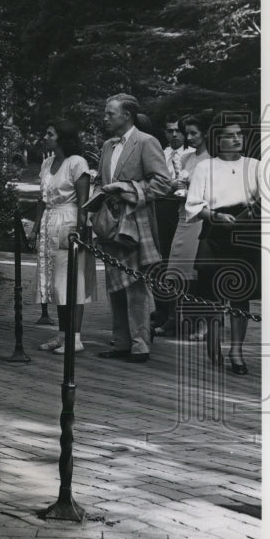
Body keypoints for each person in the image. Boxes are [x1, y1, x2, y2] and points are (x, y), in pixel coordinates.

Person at [95, 94, 171, 363]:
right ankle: (121, 342)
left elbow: (163, 183)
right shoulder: (107, 146)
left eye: (110, 113)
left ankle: (140, 345)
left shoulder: (147, 142)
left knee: (136, 285)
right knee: (114, 284)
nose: (105, 118)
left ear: (126, 115)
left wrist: (127, 190)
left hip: (136, 224)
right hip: (110, 224)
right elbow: (99, 179)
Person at [185, 115, 260, 374]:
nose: (236, 138)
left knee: (241, 295)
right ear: (218, 138)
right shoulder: (205, 167)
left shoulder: (255, 166)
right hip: (215, 233)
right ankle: (214, 341)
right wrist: (215, 216)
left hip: (244, 237)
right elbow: (194, 204)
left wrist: (255, 209)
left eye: (240, 134)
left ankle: (237, 351)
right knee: (212, 294)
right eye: (230, 134)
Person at [30, 120, 96, 354]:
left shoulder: (77, 163)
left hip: (68, 223)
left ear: (62, 137)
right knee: (56, 284)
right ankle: (62, 335)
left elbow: (83, 201)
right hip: (50, 222)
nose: (45, 137)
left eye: (50, 134)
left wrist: (79, 230)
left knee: (72, 281)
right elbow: (42, 198)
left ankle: (75, 338)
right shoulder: (48, 162)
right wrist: (36, 227)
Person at [157, 112, 212, 338]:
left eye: (193, 133)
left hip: (200, 220)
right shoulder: (187, 158)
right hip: (182, 218)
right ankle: (175, 318)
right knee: (177, 271)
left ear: (206, 133)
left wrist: (189, 192)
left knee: (196, 273)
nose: (188, 137)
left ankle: (202, 323)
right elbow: (175, 183)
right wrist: (176, 186)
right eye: (186, 133)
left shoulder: (211, 159)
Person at [152, 114, 197, 336]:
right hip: (162, 209)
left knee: (182, 265)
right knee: (161, 264)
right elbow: (155, 181)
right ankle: (164, 312)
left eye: (177, 131)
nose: (174, 135)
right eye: (169, 131)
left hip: (183, 211)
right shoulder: (162, 153)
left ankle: (184, 316)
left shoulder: (191, 155)